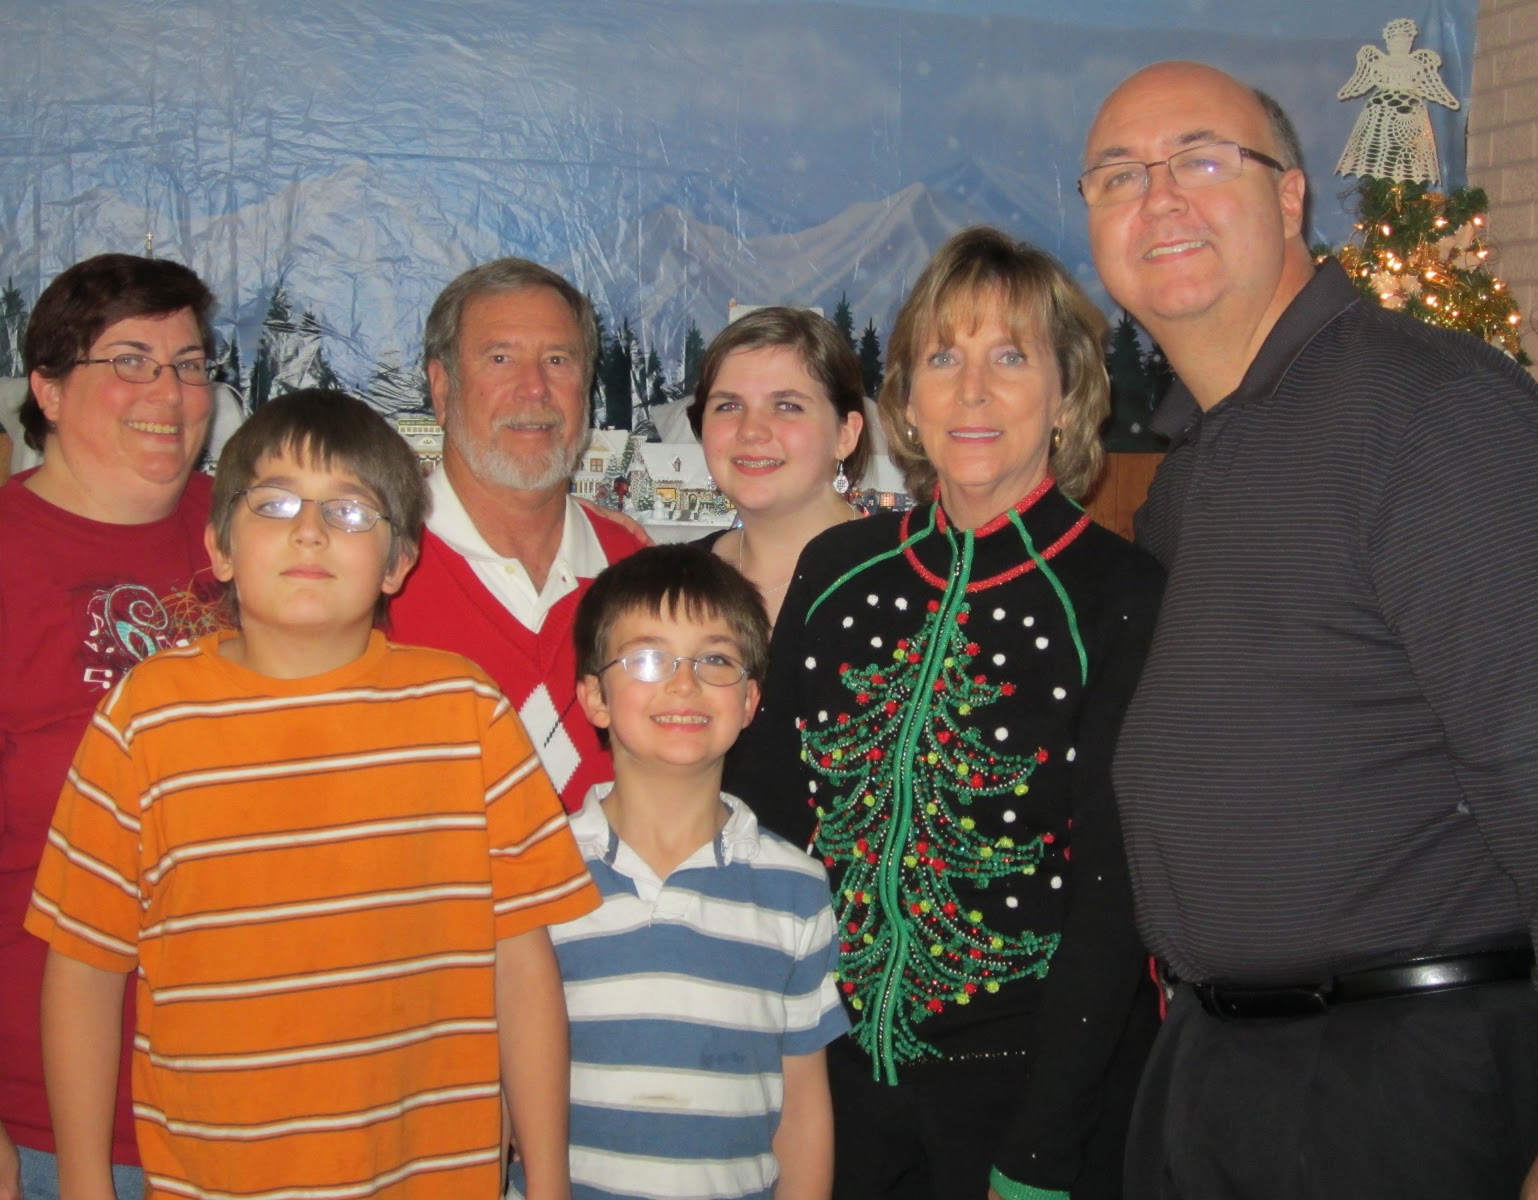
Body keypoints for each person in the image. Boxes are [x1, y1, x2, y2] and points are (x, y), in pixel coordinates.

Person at [1082, 61, 1538, 1199]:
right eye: (1117, 176)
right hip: (1217, 1070)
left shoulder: (1429, 411)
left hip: (1401, 1077)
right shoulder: (1194, 468)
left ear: (1291, 196)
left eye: (1201, 159)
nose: (1158, 196)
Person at [24, 390, 598, 1199]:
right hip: (214, 1179)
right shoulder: (145, 718)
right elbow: (84, 967)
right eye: (275, 504)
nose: (310, 531)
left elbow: (522, 965)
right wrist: (85, 1183)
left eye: (350, 511)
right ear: (220, 546)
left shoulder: (465, 711)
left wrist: (548, 1181)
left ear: (399, 562)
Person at [729, 226, 1163, 1200]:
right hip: (832, 1091)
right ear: (906, 401)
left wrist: (1043, 1148)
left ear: (1066, 394)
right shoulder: (838, 570)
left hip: (1035, 1098)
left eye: (1009, 358)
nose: (971, 392)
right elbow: (764, 821)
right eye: (942, 358)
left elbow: (1112, 894)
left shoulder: (1120, 595)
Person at [0, 253, 223, 1200]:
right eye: (130, 361)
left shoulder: (251, 533)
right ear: (49, 389)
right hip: (43, 1132)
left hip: (240, 1113)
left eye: (189, 364)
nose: (169, 393)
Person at [517, 544, 846, 1199]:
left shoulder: (796, 889)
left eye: (715, 660)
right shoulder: (537, 874)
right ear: (594, 696)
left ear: (750, 700)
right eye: (647, 658)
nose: (684, 684)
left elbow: (804, 1107)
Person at [391, 259, 646, 813]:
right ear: (442, 388)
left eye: (558, 360)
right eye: (500, 358)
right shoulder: (371, 574)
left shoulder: (638, 571)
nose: (534, 389)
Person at [686, 307, 869, 624]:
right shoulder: (675, 582)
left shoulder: (907, 576)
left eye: (787, 406)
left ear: (845, 434)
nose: (751, 430)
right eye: (728, 405)